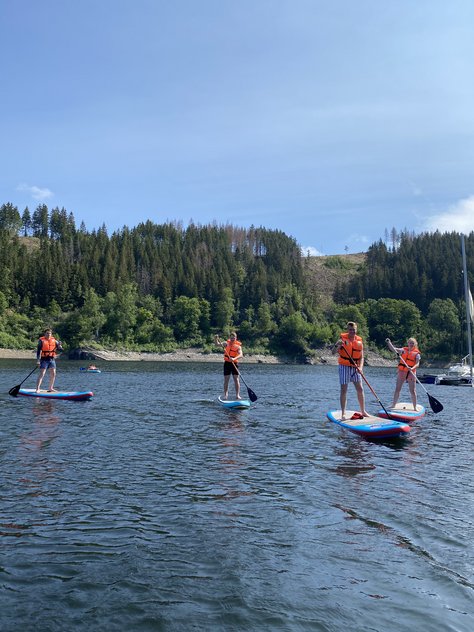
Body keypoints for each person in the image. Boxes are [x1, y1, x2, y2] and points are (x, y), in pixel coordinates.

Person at [332, 321, 369, 420]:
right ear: (347, 330)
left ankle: (363, 411)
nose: (352, 331)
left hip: (356, 367)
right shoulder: (342, 340)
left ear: (356, 330)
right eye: (350, 330)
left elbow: (361, 357)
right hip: (344, 366)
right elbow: (333, 352)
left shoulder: (359, 341)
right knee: (344, 389)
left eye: (354, 330)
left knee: (360, 389)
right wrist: (336, 345)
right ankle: (343, 413)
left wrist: (361, 367)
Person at [386, 337, 421, 410]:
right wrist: (389, 343)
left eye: (412, 343)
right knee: (397, 389)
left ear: (415, 344)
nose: (411, 344)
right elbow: (393, 349)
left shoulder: (417, 354)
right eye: (410, 343)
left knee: (413, 391)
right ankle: (393, 405)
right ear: (408, 343)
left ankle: (415, 407)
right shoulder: (403, 350)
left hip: (411, 372)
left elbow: (417, 364)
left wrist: (412, 368)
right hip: (402, 371)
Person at [214, 332, 243, 400]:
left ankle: (237, 395)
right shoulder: (226, 343)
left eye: (234, 338)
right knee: (226, 380)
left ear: (236, 338)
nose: (232, 339)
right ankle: (225, 395)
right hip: (227, 363)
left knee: (236, 379)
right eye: (231, 338)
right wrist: (215, 339)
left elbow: (241, 355)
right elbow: (217, 344)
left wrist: (234, 358)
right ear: (229, 338)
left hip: (234, 364)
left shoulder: (238, 346)